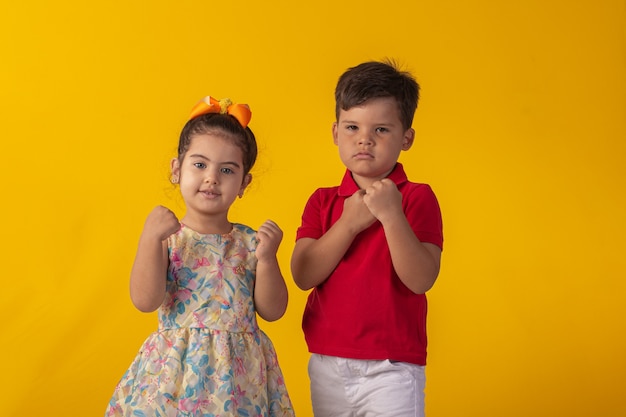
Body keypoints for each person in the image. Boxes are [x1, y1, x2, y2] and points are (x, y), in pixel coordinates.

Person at [106, 96, 295, 416]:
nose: (212, 177)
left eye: (227, 169)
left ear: (243, 183)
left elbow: (273, 310)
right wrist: (150, 239)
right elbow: (144, 300)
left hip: (237, 381)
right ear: (176, 170)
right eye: (199, 164)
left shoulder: (250, 242)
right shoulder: (168, 238)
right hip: (175, 377)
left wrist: (268, 259)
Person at [291, 60, 444, 417]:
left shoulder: (417, 198)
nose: (364, 139)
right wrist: (348, 224)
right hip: (328, 362)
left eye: (381, 129)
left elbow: (421, 279)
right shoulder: (322, 201)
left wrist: (391, 215)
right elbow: (303, 274)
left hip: (393, 366)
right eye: (352, 127)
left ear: (406, 138)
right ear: (335, 133)